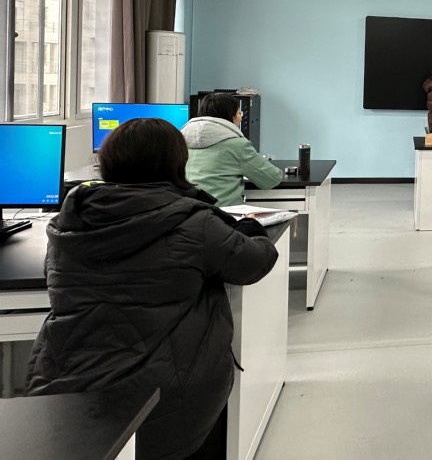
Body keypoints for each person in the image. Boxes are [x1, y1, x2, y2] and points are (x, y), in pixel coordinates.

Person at [26, 118, 279, 460]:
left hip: (64, 390)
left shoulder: (67, 223)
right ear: (177, 163)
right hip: (167, 395)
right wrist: (254, 231)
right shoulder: (195, 222)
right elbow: (253, 263)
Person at [181, 92, 283, 207]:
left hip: (186, 212)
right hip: (223, 213)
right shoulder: (237, 145)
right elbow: (272, 179)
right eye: (239, 113)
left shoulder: (179, 140)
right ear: (230, 116)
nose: (241, 117)